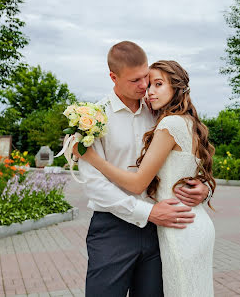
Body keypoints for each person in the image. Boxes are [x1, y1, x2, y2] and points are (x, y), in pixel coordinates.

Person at [77, 41, 211, 296]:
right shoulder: (93, 118)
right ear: (113, 77)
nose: (144, 87)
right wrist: (147, 212)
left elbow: (186, 162)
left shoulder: (159, 111)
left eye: (147, 79)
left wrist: (204, 189)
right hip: (113, 230)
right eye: (136, 81)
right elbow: (95, 185)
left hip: (160, 232)